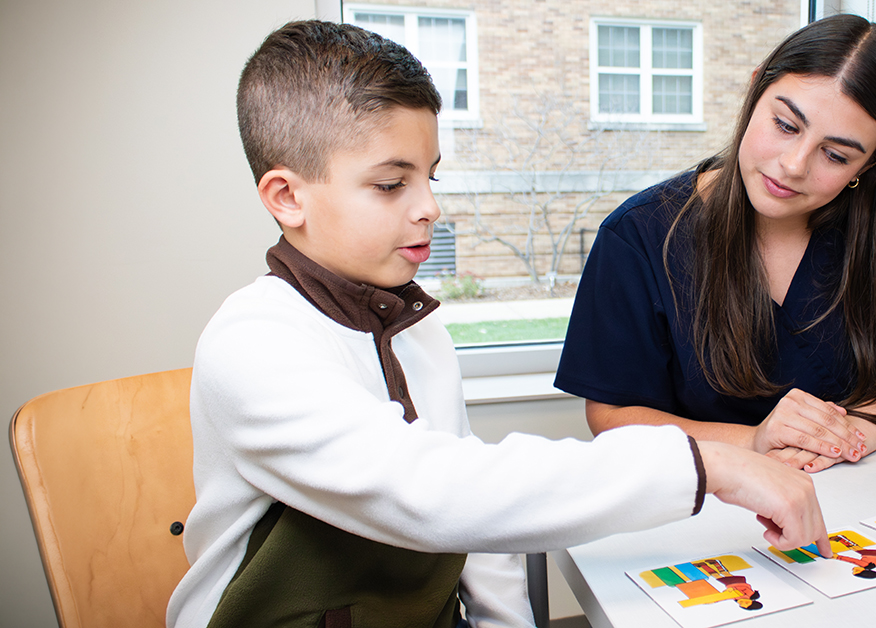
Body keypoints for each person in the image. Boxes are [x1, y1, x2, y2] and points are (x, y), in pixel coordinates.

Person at [166, 20, 832, 628]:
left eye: (429, 176)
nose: (429, 206)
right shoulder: (252, 344)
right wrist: (710, 465)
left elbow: (478, 532)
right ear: (287, 197)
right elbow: (435, 491)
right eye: (391, 185)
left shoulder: (416, 328)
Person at [555, 14, 876, 474]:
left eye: (836, 155)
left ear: (873, 162)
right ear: (754, 91)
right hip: (710, 511)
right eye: (786, 125)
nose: (793, 165)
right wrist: (755, 441)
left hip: (863, 511)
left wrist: (863, 431)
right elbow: (612, 416)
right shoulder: (640, 236)